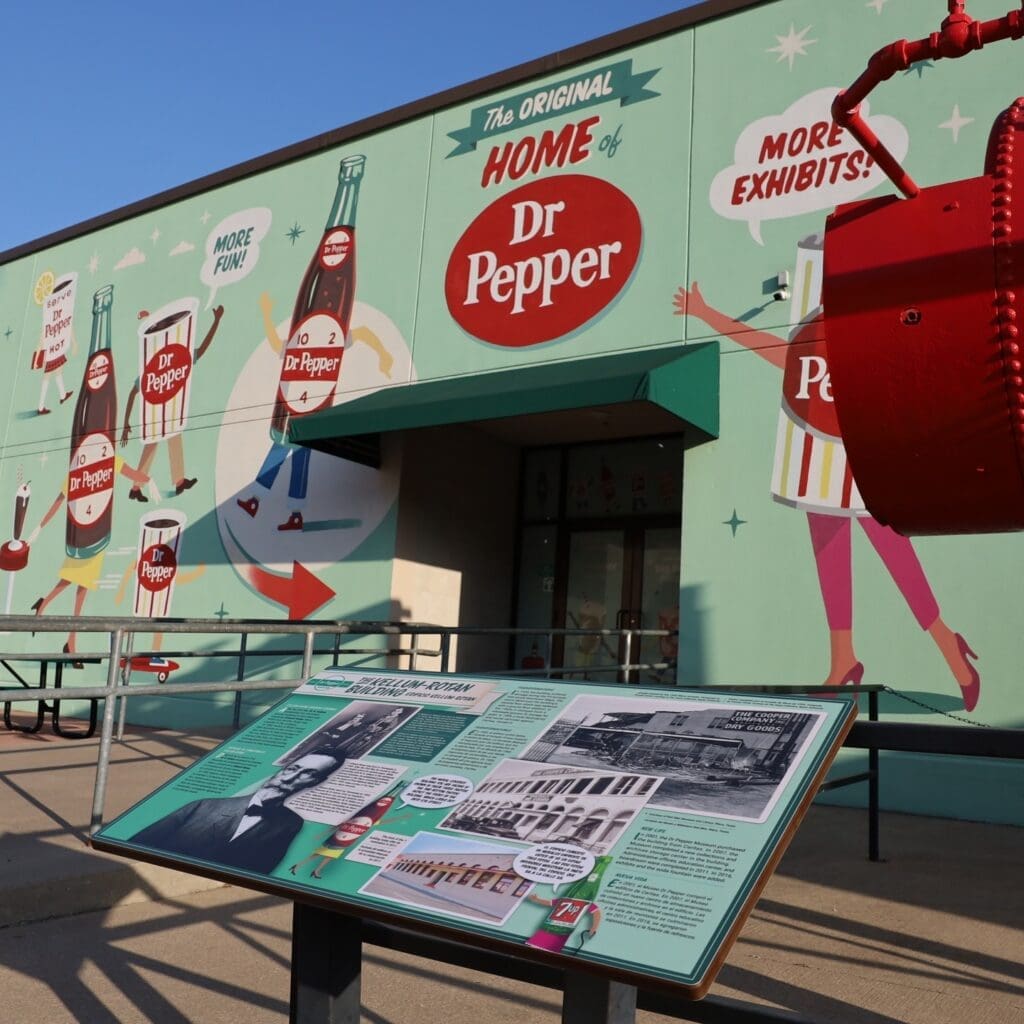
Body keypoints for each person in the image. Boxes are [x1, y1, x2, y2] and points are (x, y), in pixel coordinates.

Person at [673, 233, 980, 712]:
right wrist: (707, 314)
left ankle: (947, 643)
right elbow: (781, 354)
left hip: (863, 447)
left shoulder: (879, 323)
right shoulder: (812, 331)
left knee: (893, 546)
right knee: (829, 541)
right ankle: (844, 659)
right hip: (815, 448)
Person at [130, 752, 341, 874]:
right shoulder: (205, 805)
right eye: (294, 768)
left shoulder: (291, 823)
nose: (291, 778)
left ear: (316, 781)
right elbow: (138, 843)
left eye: (309, 773)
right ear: (284, 768)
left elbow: (262, 869)